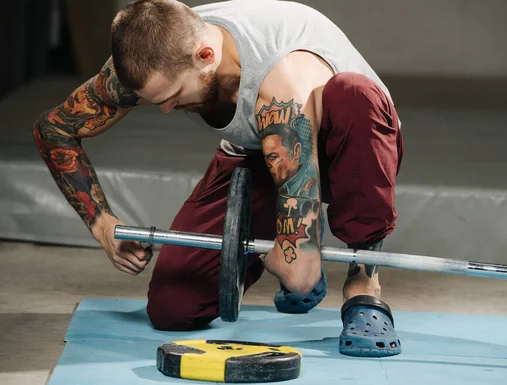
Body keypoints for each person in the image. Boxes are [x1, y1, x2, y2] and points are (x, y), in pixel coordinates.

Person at [32, 0, 404, 357]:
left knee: (355, 95)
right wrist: (101, 224)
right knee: (172, 309)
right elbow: (53, 130)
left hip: (348, 141)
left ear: (205, 56)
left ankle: (363, 281)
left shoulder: (282, 82)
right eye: (154, 100)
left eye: (174, 95)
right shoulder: (152, 55)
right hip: (256, 150)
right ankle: (294, 230)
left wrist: (294, 259)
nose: (165, 110)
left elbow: (301, 276)